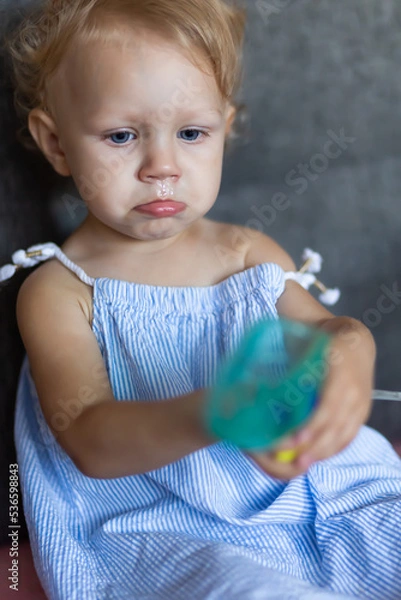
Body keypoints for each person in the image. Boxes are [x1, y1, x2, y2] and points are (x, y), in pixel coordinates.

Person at [3, 0, 401, 598]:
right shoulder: (60, 292)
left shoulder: (247, 253)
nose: (162, 167)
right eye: (121, 136)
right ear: (56, 143)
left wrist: (349, 351)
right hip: (162, 525)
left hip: (325, 490)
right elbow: (87, 437)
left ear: (226, 126)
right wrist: (213, 411)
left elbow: (329, 330)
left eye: (191, 133)